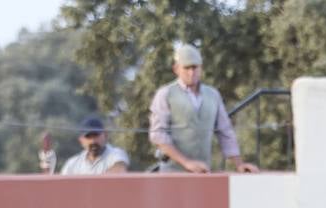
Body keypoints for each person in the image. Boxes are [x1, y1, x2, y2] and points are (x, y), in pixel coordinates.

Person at [148, 43, 258, 174]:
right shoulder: (165, 94)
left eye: (195, 67)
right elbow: (158, 135)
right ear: (176, 69)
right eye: (186, 68)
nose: (191, 72)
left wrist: (239, 164)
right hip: (172, 173)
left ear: (201, 68)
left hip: (203, 172)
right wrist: (186, 163)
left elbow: (225, 131)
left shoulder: (213, 95)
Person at [56, 117, 130, 175]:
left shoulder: (116, 154)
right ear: (81, 140)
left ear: (105, 135)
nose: (93, 141)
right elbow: (62, 185)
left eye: (96, 135)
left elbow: (119, 170)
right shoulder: (72, 164)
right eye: (88, 137)